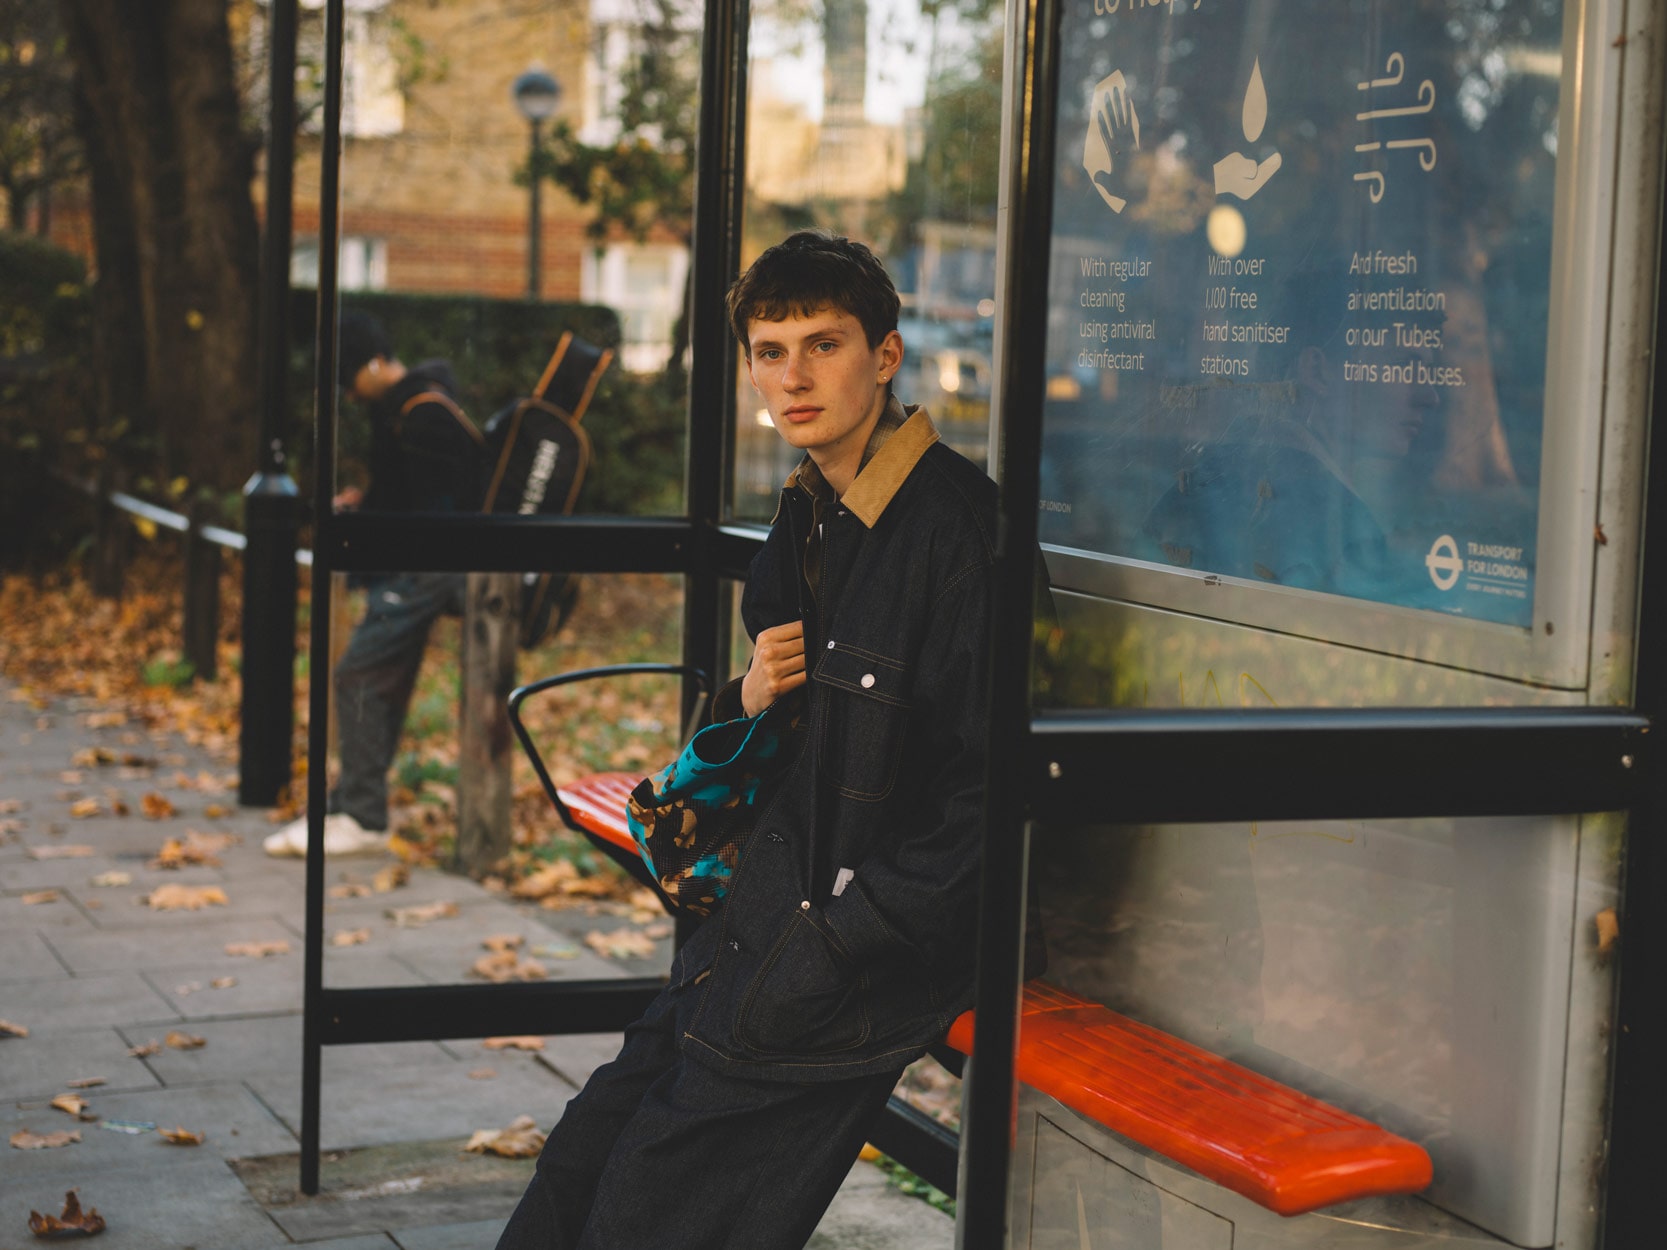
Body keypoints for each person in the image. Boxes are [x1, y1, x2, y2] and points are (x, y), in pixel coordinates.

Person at [496, 231, 1004, 1247]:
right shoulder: (811, 511)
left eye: (824, 345)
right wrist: (747, 694)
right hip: (759, 921)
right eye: (770, 352)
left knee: (645, 1208)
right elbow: (783, 737)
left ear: (886, 356)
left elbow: (984, 800)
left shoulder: (955, 532)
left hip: (848, 955)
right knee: (576, 1166)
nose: (793, 377)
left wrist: (840, 938)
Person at [264, 310, 484, 858]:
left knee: (358, 675)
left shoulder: (421, 414)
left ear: (377, 363)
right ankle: (350, 806)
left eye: (349, 378)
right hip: (425, 564)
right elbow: (415, 495)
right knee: (374, 679)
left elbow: (437, 510)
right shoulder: (413, 407)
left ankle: (361, 815)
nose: (348, 393)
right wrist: (367, 504)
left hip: (430, 568)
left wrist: (381, 527)